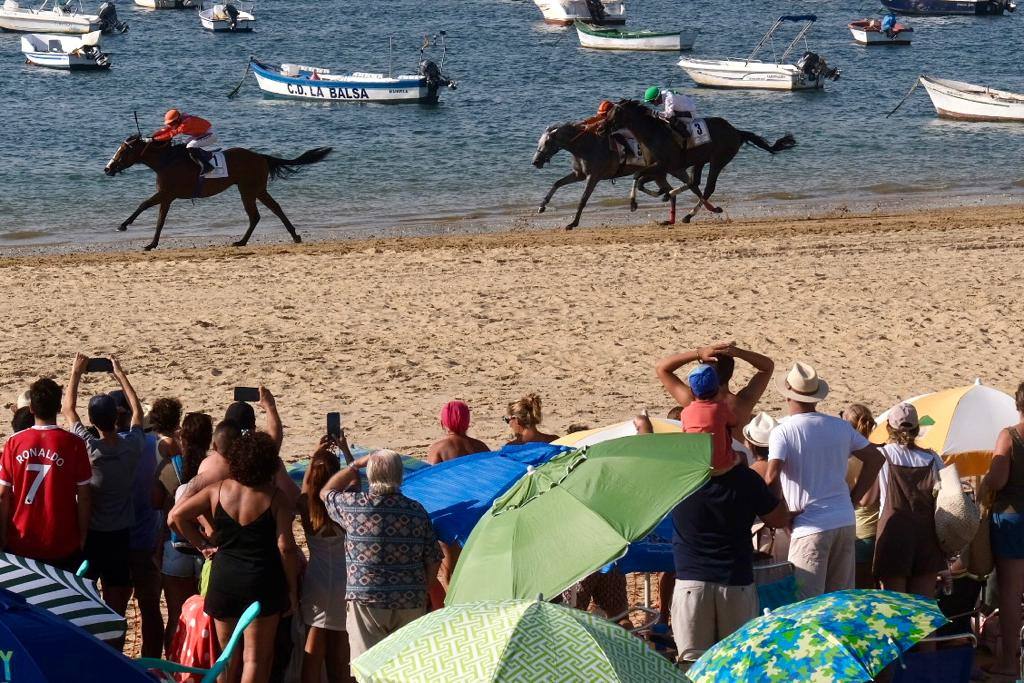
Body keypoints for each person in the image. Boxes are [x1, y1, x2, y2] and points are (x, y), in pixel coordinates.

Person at [637, 412, 796, 672]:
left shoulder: (678, 476)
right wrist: (775, 486)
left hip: (692, 583)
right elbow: (778, 518)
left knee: (693, 667)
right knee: (736, 665)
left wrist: (644, 428)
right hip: (735, 583)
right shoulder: (746, 480)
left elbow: (649, 457)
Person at [169, 431, 300, 683]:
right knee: (256, 660)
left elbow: (177, 516)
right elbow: (286, 547)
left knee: (227, 658)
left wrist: (203, 546)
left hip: (225, 579)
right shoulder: (275, 498)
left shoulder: (217, 490)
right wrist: (292, 590)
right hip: (262, 581)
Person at [765, 362, 884, 600]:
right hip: (843, 519)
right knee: (838, 605)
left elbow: (771, 477)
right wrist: (853, 498)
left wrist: (778, 514)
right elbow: (875, 458)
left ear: (788, 394)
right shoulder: (839, 426)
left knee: (806, 604)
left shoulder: (783, 431)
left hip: (810, 523)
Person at [320, 449, 442, 659]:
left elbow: (326, 492)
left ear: (370, 474)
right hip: (409, 598)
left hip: (367, 596)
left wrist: (354, 466)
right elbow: (434, 559)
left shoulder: (354, 506)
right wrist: (422, 590)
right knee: (403, 667)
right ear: (399, 475)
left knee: (369, 666)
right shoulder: (416, 510)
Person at [63, 354, 146, 648]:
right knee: (115, 608)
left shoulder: (89, 447)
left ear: (93, 421)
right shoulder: (132, 446)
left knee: (86, 604)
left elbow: (68, 409)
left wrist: (76, 373)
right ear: (116, 417)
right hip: (120, 535)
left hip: (93, 534)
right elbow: (138, 414)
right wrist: (120, 374)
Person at [0, 375, 92, 569]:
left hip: (21, 538)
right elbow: (84, 496)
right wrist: (83, 534)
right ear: (59, 408)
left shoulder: (14, 443)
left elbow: (3, 495)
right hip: (61, 539)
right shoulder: (74, 444)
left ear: (31, 409)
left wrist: (2, 535)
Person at [110, 389, 164, 658]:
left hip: (116, 539)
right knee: (150, 608)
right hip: (145, 539)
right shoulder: (150, 443)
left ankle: (116, 663)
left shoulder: (102, 447)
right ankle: (152, 665)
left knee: (115, 609)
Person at [180, 388, 299, 508]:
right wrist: (270, 407)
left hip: (222, 521)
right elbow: (294, 499)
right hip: (258, 517)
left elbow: (177, 514)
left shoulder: (210, 465)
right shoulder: (261, 459)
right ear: (253, 427)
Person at [872, 403, 945, 596]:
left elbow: (868, 499)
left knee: (895, 610)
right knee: (922, 611)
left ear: (889, 427)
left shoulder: (882, 456)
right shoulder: (932, 458)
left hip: (894, 537)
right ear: (917, 429)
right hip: (926, 538)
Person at [155, 411, 213, 654]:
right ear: (209, 439)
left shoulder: (170, 467)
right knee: (204, 619)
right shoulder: (212, 468)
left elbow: (154, 501)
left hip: (176, 546)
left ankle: (172, 671)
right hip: (207, 549)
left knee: (176, 617)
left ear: (182, 437)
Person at [981, 381, 1024, 679]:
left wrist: (983, 483)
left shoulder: (1010, 437)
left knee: (1010, 592)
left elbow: (997, 481)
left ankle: (1010, 661)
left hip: (1013, 518)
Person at [299, 443, 351, 683]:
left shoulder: (305, 506)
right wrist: (346, 452)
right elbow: (355, 480)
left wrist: (313, 459)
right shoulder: (344, 504)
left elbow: (305, 488)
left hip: (317, 578)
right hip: (344, 579)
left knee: (314, 641)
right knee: (341, 642)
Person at [656, 342, 775, 442]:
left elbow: (662, 368)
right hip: (735, 465)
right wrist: (739, 353)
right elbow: (767, 367)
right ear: (731, 373)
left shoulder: (694, 400)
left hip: (704, 464)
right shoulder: (743, 403)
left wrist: (699, 353)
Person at [842, 403, 881, 590]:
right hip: (878, 529)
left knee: (860, 592)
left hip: (859, 530)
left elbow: (866, 499)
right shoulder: (878, 452)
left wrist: (850, 499)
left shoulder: (849, 458)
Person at [680, 364, 737, 471]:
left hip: (697, 465)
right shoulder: (720, 408)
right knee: (742, 455)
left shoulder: (685, 412)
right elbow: (734, 422)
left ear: (692, 391)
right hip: (720, 466)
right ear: (717, 388)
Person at [153, 109, 218, 174]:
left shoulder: (185, 123)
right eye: (170, 123)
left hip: (210, 134)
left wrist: (155, 139)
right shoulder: (178, 121)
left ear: (178, 120)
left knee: (190, 146)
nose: (171, 125)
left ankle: (207, 166)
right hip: (201, 134)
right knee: (183, 144)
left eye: (172, 123)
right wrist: (153, 136)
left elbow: (171, 134)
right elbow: (166, 130)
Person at [426, 400, 488, 464]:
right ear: (467, 423)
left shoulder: (438, 448)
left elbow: (431, 472)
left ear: (442, 424)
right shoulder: (482, 447)